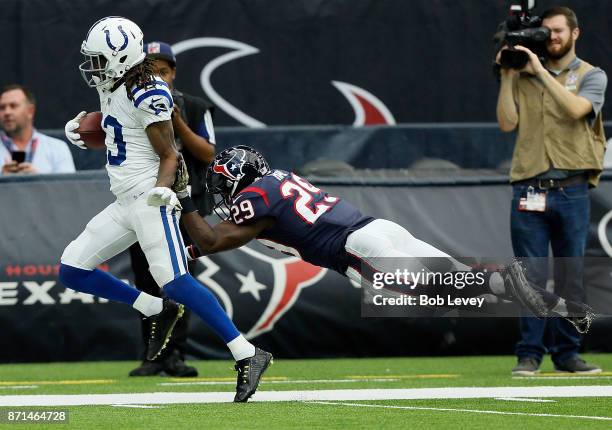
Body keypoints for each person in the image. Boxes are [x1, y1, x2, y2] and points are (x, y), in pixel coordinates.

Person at [59, 17, 271, 402]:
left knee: (175, 280)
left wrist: (161, 191)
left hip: (149, 198)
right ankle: (155, 308)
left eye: (99, 60)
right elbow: (121, 139)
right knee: (72, 268)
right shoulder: (117, 86)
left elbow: (170, 153)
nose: (92, 68)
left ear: (121, 58)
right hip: (125, 202)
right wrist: (85, 134)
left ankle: (247, 353)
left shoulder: (148, 91)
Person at [174, 145, 593, 334]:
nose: (223, 193)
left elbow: (213, 241)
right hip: (381, 229)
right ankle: (561, 306)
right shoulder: (279, 179)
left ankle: (502, 277)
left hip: (357, 249)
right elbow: (224, 235)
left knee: (438, 291)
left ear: (241, 180)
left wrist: (185, 201)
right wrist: (187, 245)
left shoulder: (254, 200)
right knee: (463, 282)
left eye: (224, 184)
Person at [495, 7, 606, 375]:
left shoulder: (592, 75)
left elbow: (577, 110)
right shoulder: (523, 75)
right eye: (545, 32)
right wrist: (510, 75)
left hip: (572, 189)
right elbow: (507, 123)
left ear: (575, 33)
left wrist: (540, 72)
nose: (551, 38)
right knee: (530, 276)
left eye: (558, 31)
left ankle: (568, 354)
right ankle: (528, 354)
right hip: (528, 185)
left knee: (570, 273)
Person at [127, 41, 216, 378]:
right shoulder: (130, 103)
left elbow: (208, 154)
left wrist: (178, 122)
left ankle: (176, 353)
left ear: (174, 72)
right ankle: (151, 355)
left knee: (179, 279)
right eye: (150, 71)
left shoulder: (194, 106)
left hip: (184, 206)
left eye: (163, 71)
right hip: (141, 201)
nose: (158, 78)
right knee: (145, 281)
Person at [0, 84, 75, 175]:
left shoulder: (58, 148)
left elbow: (69, 187)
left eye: (13, 106)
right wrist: (2, 179)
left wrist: (38, 180)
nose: (7, 112)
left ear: (30, 111)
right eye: (2, 107)